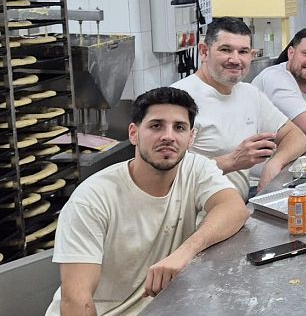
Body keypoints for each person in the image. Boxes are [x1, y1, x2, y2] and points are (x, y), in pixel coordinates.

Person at [46, 87, 249, 315]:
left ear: (191, 138)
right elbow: (76, 302)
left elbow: (233, 207)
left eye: (179, 127)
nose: (168, 136)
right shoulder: (92, 199)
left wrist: (185, 252)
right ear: (134, 133)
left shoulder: (195, 168)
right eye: (156, 126)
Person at [172, 17, 306, 199]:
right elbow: (166, 175)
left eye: (243, 51)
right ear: (204, 52)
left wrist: (274, 163)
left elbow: (296, 136)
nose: (235, 60)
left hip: (240, 206)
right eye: (226, 50)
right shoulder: (177, 99)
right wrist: (232, 161)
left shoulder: (249, 93)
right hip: (196, 214)